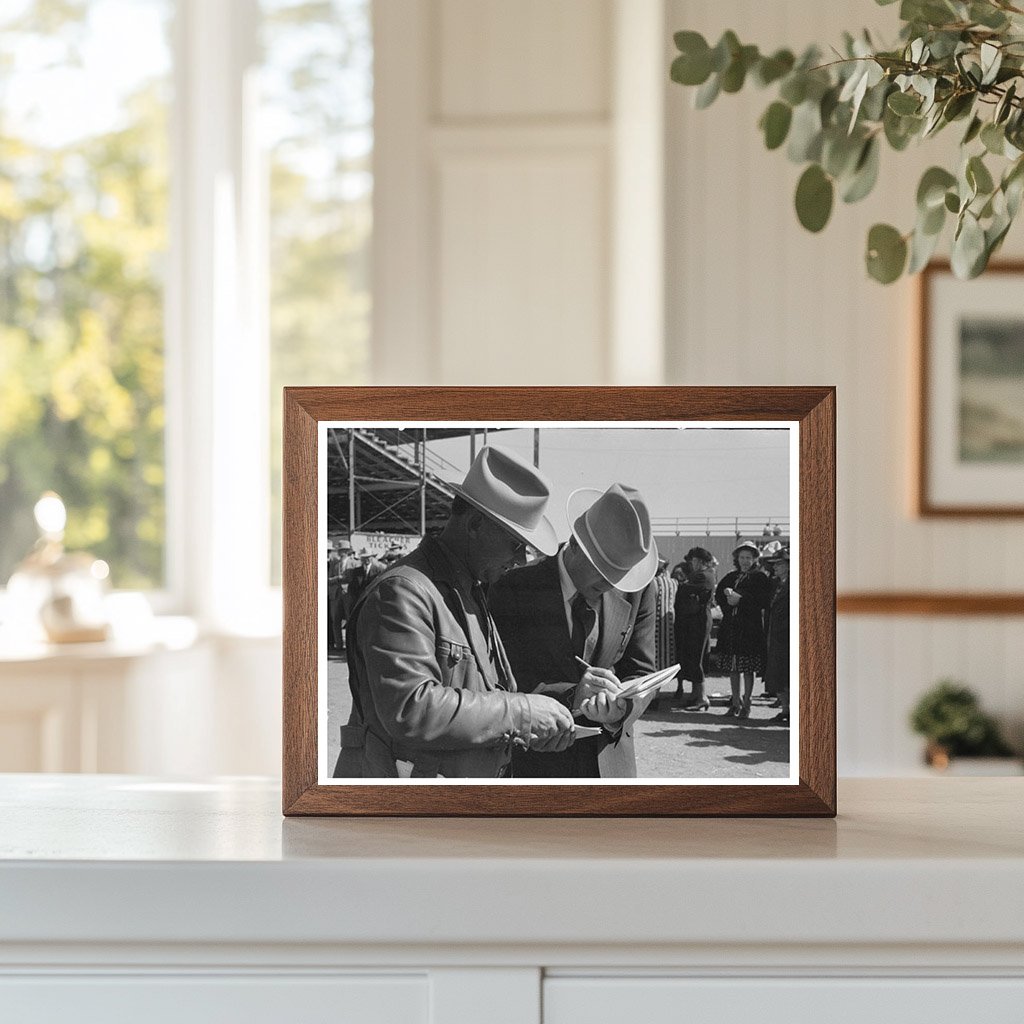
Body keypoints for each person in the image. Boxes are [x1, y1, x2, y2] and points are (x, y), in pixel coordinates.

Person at [333, 445, 576, 778]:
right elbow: (411, 707)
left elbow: (484, 695)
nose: (520, 559)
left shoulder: (467, 588)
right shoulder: (404, 591)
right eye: (514, 543)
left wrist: (558, 704)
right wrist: (523, 713)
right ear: (475, 524)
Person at [490, 483, 658, 778]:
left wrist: (622, 709)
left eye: (621, 577)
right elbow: (499, 678)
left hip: (610, 765)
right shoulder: (513, 588)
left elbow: (643, 671)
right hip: (538, 765)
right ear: (576, 544)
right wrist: (570, 696)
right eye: (604, 572)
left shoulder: (641, 592)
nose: (612, 586)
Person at [715, 541, 770, 718]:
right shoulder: (731, 576)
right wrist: (727, 597)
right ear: (737, 559)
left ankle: (747, 704)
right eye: (742, 557)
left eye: (748, 558)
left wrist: (742, 598)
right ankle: (735, 703)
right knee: (733, 667)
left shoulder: (760, 578)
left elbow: (763, 600)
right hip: (732, 628)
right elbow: (719, 594)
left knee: (747, 668)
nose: (745, 561)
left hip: (749, 629)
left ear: (755, 559)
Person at [673, 546, 717, 710]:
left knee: (697, 656)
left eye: (693, 560)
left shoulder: (703, 576)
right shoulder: (706, 574)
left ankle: (702, 696)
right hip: (697, 619)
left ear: (699, 561)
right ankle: (695, 695)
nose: (692, 564)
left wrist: (681, 585)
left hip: (698, 620)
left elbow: (685, 590)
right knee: (694, 656)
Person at [763, 546, 791, 724]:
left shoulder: (792, 585)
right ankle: (785, 709)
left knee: (788, 673)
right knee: (779, 674)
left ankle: (792, 710)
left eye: (779, 564)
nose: (775, 567)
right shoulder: (776, 585)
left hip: (786, 635)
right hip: (775, 635)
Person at [652, 558, 677, 673]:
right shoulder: (673, 583)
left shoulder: (652, 583)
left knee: (654, 657)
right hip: (669, 625)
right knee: (666, 657)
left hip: (653, 625)